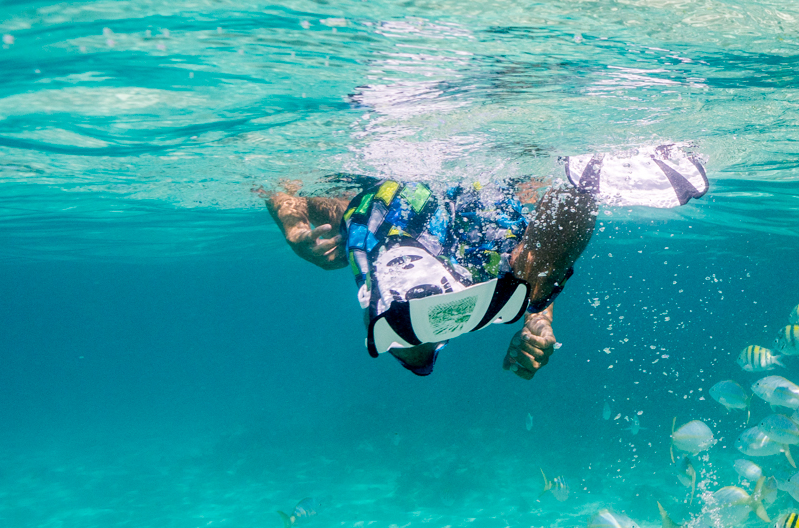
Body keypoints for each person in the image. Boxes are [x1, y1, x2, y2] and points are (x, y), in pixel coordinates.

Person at [264, 144, 708, 378]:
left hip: (438, 182)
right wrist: (540, 324)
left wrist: (296, 232)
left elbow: (280, 189)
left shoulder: (353, 236)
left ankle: (581, 184)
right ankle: (586, 180)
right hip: (487, 216)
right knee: (528, 286)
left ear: (367, 302)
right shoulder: (475, 274)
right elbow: (526, 290)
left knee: (519, 286)